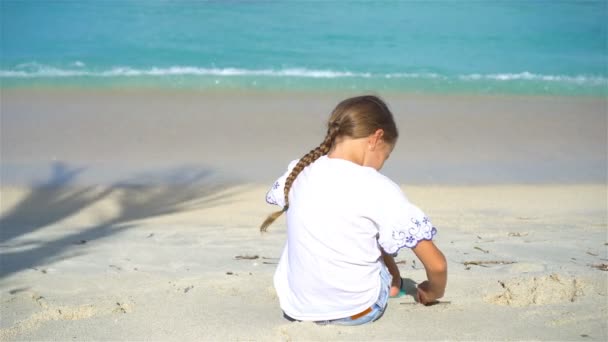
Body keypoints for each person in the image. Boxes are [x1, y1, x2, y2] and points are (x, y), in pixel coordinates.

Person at [261, 95, 447, 325]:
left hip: (297, 308)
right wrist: (432, 292)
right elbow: (437, 265)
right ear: (376, 138)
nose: (382, 164)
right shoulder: (377, 187)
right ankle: (393, 283)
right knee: (375, 227)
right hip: (357, 310)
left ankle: (390, 282)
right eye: (385, 156)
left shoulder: (299, 170)